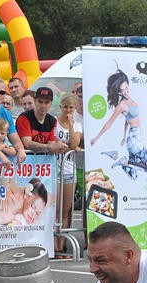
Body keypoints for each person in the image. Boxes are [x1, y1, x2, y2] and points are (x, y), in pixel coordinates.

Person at [89, 70, 147, 180]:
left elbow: (127, 121)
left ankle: (115, 156)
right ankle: (122, 160)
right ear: (118, 92)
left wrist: (123, 137)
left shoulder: (131, 100)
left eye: (126, 88)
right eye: (122, 90)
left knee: (134, 175)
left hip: (135, 135)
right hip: (134, 138)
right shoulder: (121, 105)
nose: (126, 92)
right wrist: (96, 137)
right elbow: (109, 123)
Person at [54, 93, 83, 253]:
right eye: (65, 107)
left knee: (66, 209)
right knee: (56, 208)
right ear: (61, 107)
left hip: (69, 169)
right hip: (55, 167)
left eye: (71, 107)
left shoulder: (77, 125)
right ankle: (54, 241)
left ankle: (62, 242)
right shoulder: (54, 122)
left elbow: (74, 143)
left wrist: (71, 124)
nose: (68, 110)